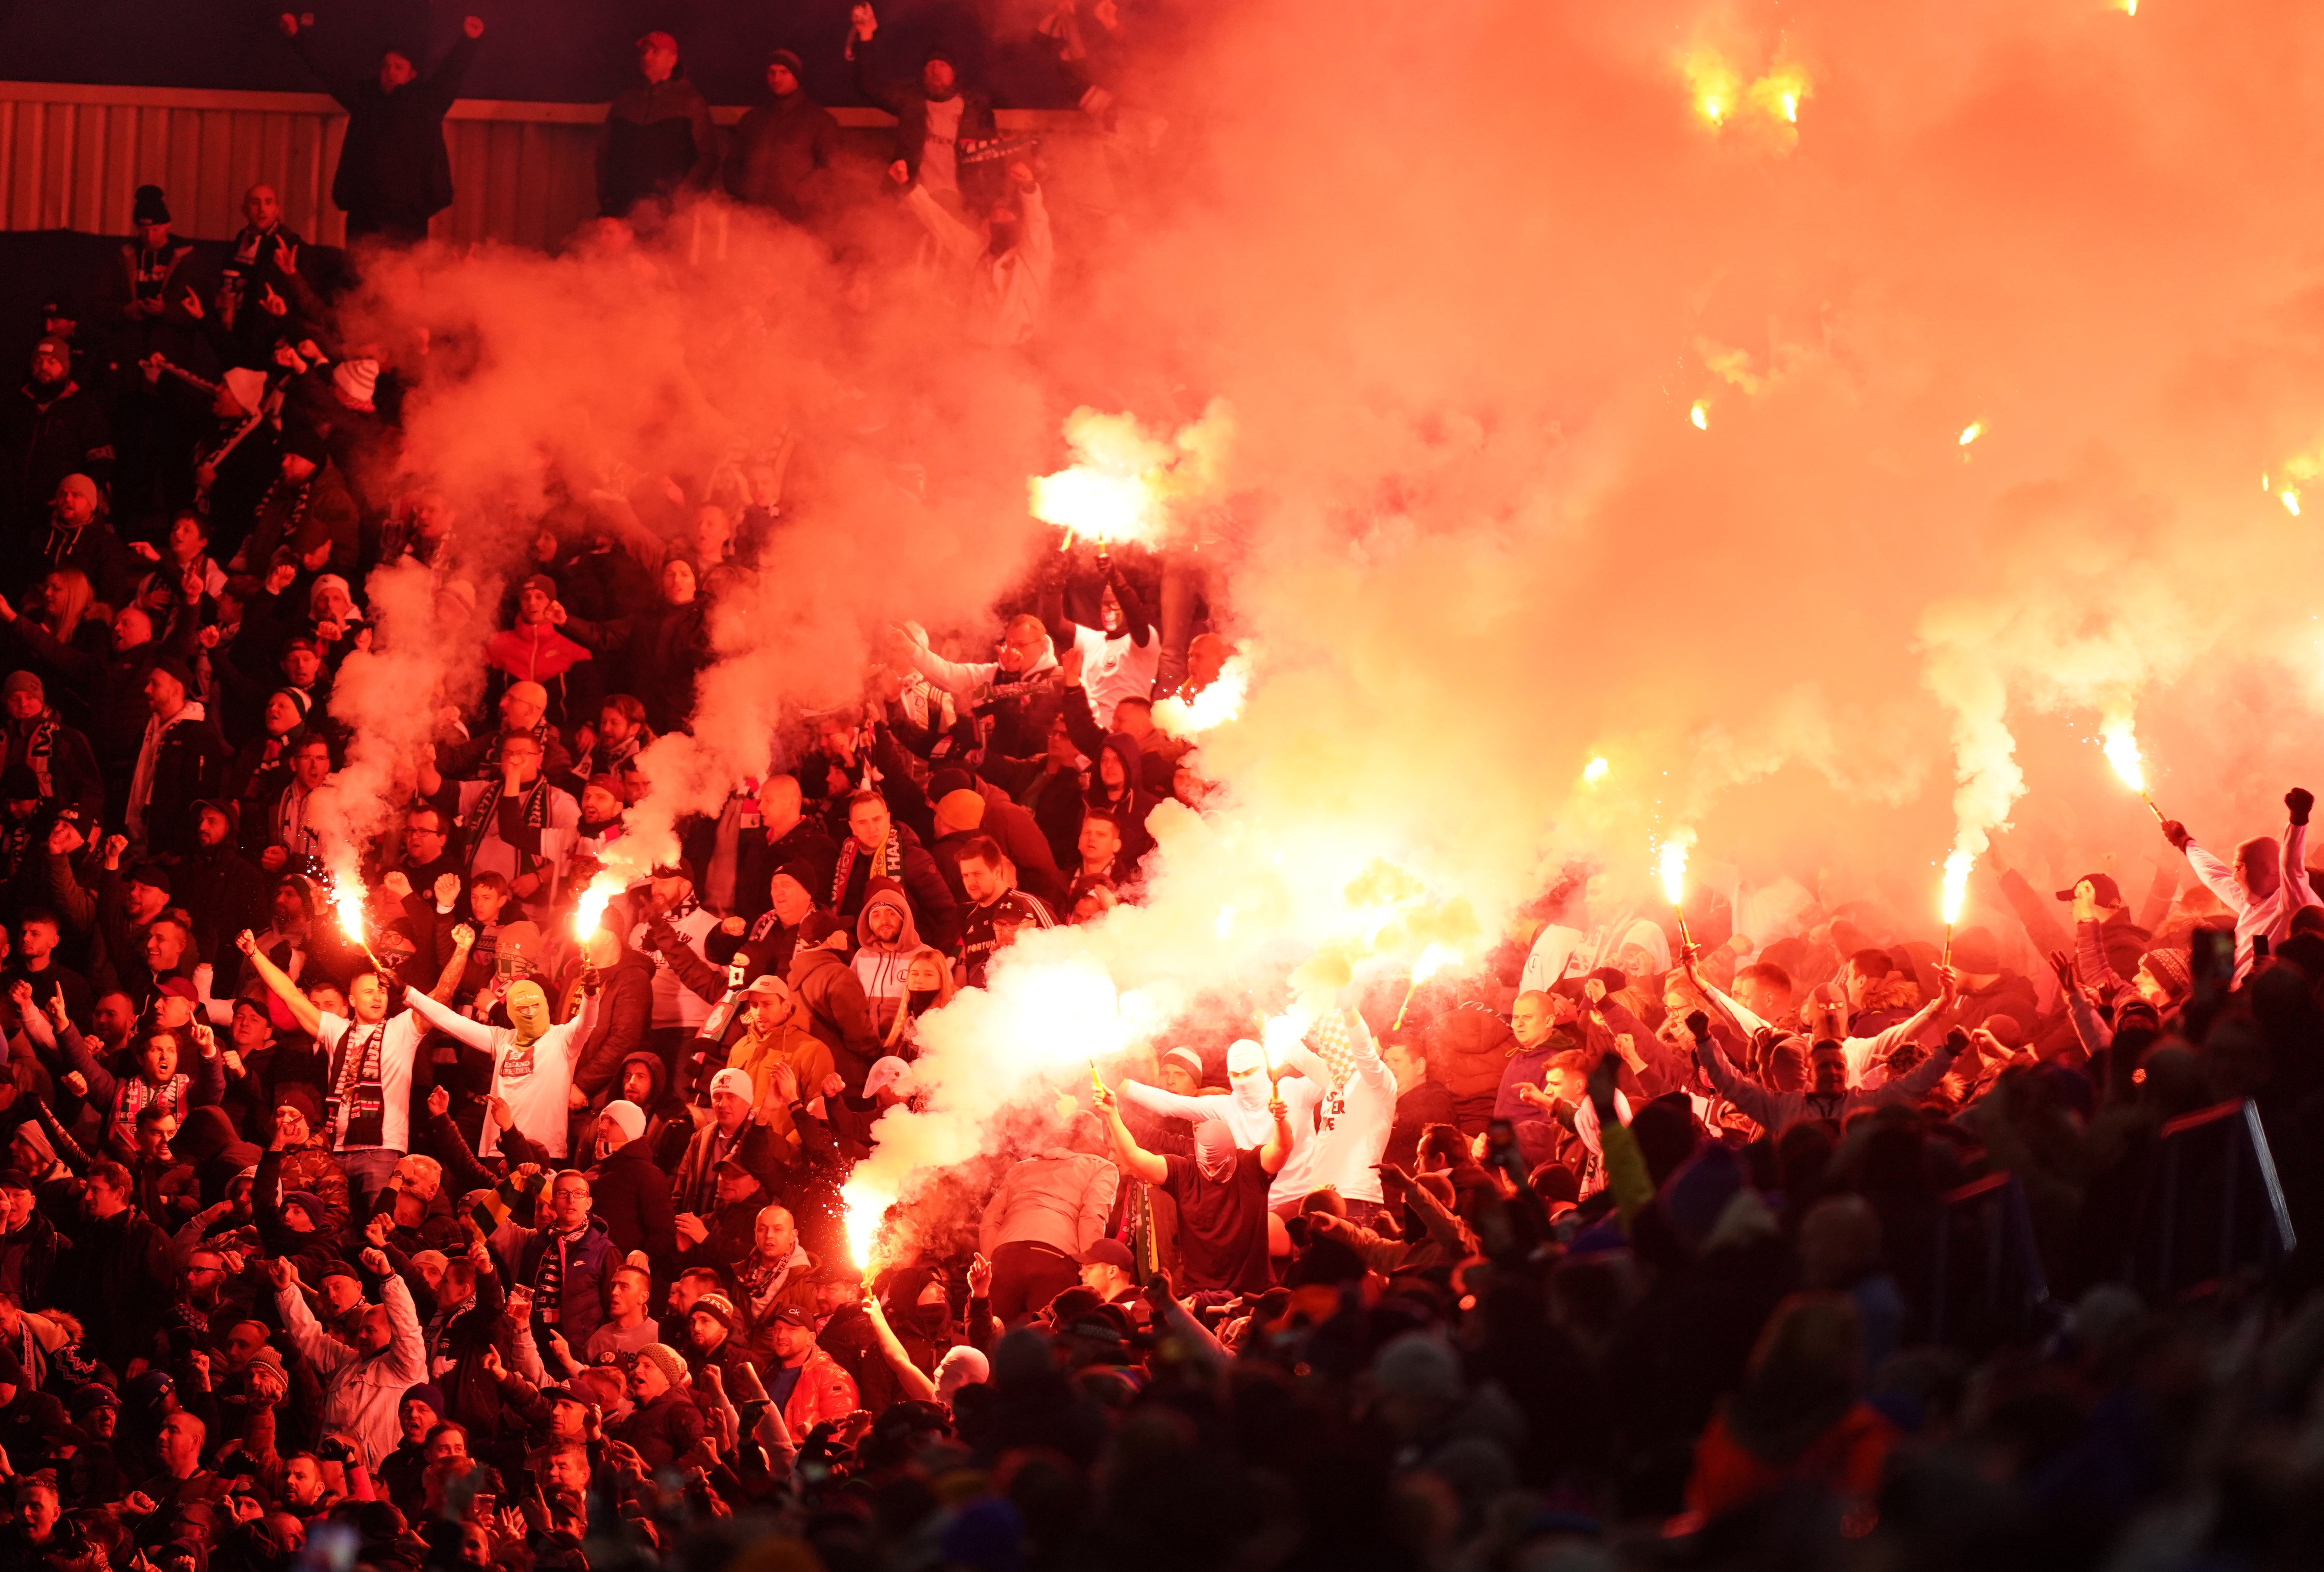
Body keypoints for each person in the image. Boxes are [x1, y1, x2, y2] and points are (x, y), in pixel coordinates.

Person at [279, 13, 486, 245]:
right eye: (386, 66)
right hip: (365, 215)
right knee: (362, 276)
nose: (390, 72)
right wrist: (296, 37)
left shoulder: (427, 103)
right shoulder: (365, 99)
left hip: (409, 219)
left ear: (412, 74)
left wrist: (469, 40)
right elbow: (329, 72)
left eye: (399, 67)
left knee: (403, 279)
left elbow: (451, 74)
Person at [1093, 1080, 1286, 1295]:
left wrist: (1280, 1121)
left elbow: (1282, 1149)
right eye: (1206, 1166)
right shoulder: (1185, 1170)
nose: (1212, 1172)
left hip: (1253, 1293)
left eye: (1219, 1165)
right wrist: (1112, 1114)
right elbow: (1134, 1156)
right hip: (1198, 1293)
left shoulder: (1252, 1166)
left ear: (1232, 1152)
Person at [404, 959, 590, 1159]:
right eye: (522, 1009)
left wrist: (592, 995)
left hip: (545, 1151)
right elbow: (450, 1021)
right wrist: (407, 992)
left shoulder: (563, 1039)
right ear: (511, 1012)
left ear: (545, 1005)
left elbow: (587, 1023)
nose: (530, 1014)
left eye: (535, 1006)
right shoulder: (501, 1038)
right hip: (498, 1149)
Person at [268, 1246, 428, 1467]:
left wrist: (388, 1278)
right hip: (332, 1470)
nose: (360, 1335)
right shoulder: (349, 1364)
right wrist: (287, 1291)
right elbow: (310, 1338)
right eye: (360, 1329)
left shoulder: (405, 1366)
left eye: (369, 1331)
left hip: (375, 1474)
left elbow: (407, 1325)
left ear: (392, 1333)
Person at [849, 4, 996, 213]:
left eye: (943, 66)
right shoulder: (912, 102)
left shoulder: (976, 111)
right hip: (912, 199)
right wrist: (866, 36)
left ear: (955, 73)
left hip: (959, 202)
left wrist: (996, 203)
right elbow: (868, 87)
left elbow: (994, 160)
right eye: (930, 66)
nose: (935, 71)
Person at [2162, 788, 2321, 980]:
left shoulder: (2293, 903)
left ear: (2267, 868)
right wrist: (2184, 842)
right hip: (2241, 1002)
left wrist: (2298, 821)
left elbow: (2292, 866)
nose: (2234, 876)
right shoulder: (2250, 903)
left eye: (2239, 867)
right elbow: (2214, 875)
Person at [979, 1120, 1119, 1323]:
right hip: (1055, 1260)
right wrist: (1088, 1270)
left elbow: (990, 1221)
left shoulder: (1021, 1167)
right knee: (1050, 1340)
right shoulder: (1102, 1167)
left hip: (1005, 1258)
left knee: (990, 1338)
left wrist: (991, 1264)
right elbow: (1093, 1216)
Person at [598, 31, 719, 220]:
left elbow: (708, 157)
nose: (647, 57)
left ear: (673, 60)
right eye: (644, 52)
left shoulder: (691, 103)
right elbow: (605, 153)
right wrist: (606, 199)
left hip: (667, 215)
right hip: (621, 211)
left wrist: (680, 199)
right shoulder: (624, 102)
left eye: (655, 52)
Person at [724, 50, 840, 226]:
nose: (777, 79)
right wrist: (740, 191)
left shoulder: (820, 121)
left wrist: (801, 198)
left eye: (784, 72)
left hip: (796, 222)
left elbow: (830, 168)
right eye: (772, 72)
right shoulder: (752, 119)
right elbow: (732, 162)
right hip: (750, 218)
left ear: (796, 76)